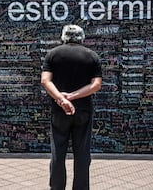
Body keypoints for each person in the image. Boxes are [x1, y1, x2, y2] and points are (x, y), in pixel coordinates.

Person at [41, 24, 102, 190]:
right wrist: (73, 96)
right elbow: (96, 85)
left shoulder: (52, 55)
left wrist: (62, 99)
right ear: (82, 38)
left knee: (58, 153)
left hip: (59, 111)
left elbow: (45, 81)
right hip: (83, 111)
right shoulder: (92, 56)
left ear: (63, 37)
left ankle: (57, 187)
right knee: (82, 154)